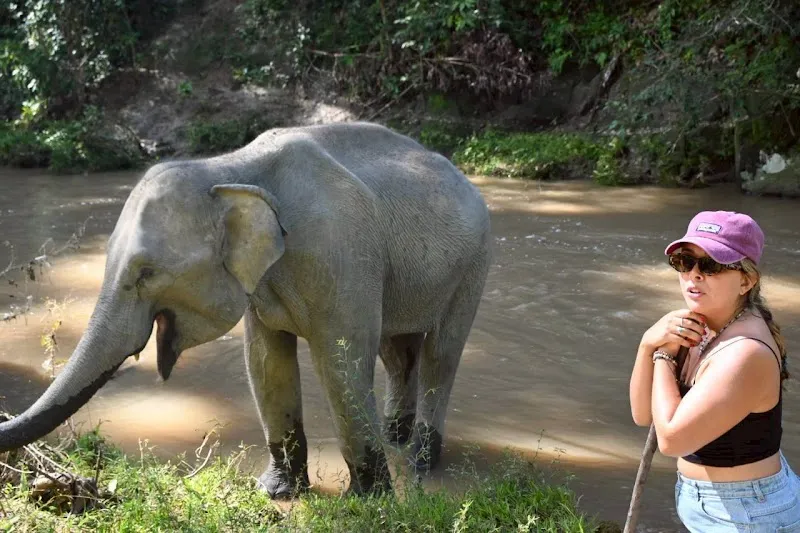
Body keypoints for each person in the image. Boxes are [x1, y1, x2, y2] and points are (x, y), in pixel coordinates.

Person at [629, 210, 800, 532]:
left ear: (746, 280)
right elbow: (643, 415)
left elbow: (672, 441)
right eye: (684, 261)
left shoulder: (745, 351)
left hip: (749, 512)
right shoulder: (703, 324)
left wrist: (664, 355)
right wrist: (646, 344)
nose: (694, 275)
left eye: (711, 265)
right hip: (716, 502)